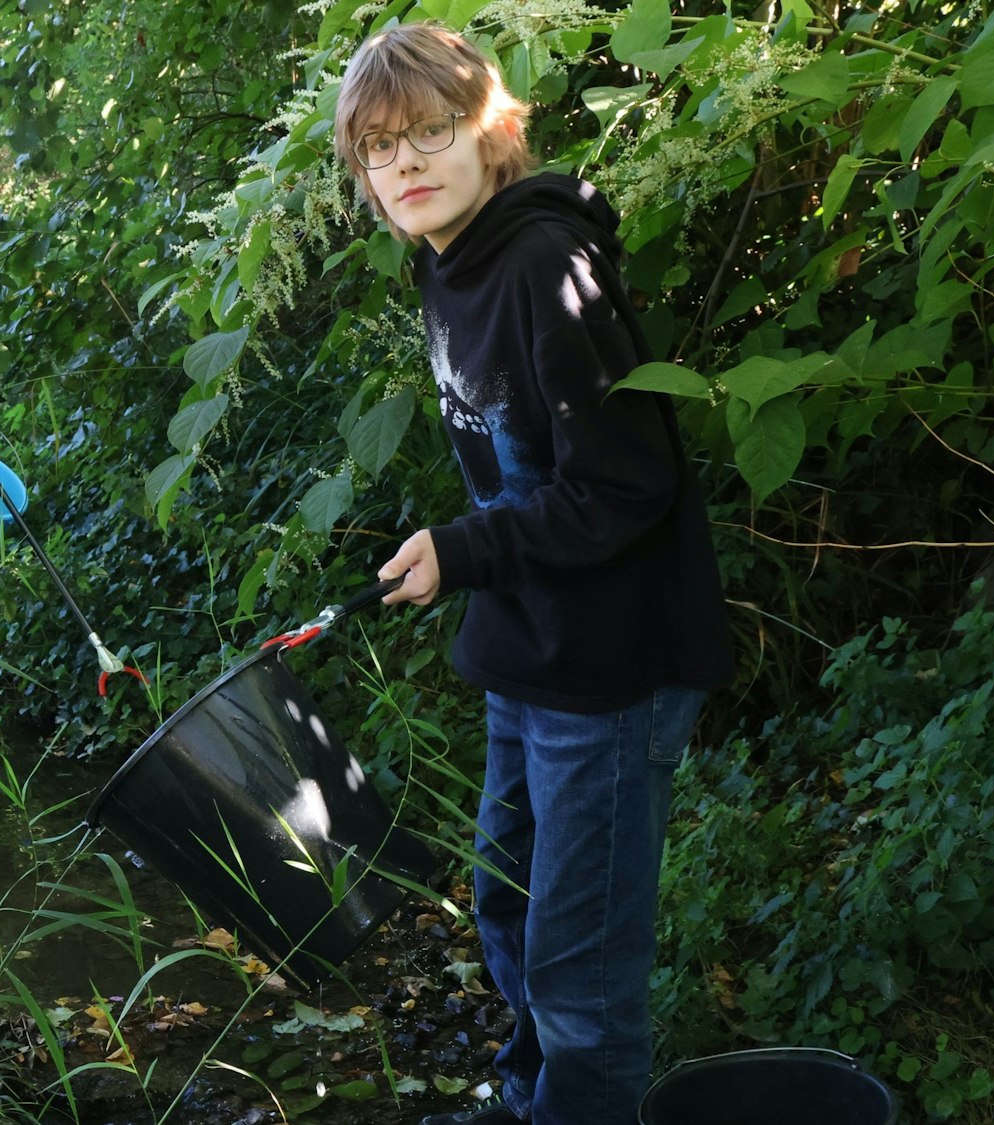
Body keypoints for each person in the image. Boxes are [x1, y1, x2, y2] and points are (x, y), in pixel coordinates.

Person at [333, 22, 735, 1125]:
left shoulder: (543, 265)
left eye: (428, 135)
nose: (404, 165)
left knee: (579, 971)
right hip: (532, 643)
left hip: (612, 667)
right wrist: (471, 563)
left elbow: (621, 484)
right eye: (377, 148)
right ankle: (523, 1100)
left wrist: (463, 551)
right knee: (502, 903)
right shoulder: (445, 260)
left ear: (490, 133)